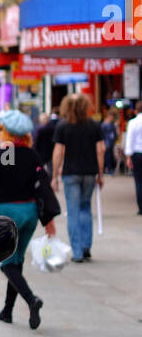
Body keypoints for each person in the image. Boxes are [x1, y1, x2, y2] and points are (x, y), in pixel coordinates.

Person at [0, 110, 57, 328]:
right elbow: (43, 187)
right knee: (16, 260)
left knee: (7, 264)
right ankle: (7, 311)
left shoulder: (4, 153)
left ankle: (31, 300)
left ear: (6, 131)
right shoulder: (33, 154)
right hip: (30, 213)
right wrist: (49, 220)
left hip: (10, 214)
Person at [52, 93, 105, 263]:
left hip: (70, 173)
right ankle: (86, 246)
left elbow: (58, 152)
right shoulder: (94, 126)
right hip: (89, 172)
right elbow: (100, 150)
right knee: (85, 208)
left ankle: (77, 252)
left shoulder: (63, 126)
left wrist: (54, 176)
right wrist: (100, 174)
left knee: (73, 210)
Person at [125, 105, 142, 214]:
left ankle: (141, 207)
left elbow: (129, 139)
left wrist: (128, 156)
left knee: (139, 181)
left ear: (136, 111)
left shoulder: (133, 123)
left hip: (137, 154)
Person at [33, 111, 59, 177]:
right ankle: (50, 180)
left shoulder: (39, 130)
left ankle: (42, 179)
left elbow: (36, 142)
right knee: (50, 170)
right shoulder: (53, 129)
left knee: (39, 169)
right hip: (50, 153)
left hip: (41, 153)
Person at [101, 108, 119, 176]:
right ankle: (108, 169)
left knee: (111, 156)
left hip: (111, 143)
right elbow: (101, 135)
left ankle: (110, 169)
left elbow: (115, 134)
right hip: (106, 143)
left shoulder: (112, 124)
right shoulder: (104, 124)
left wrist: (115, 139)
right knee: (107, 157)